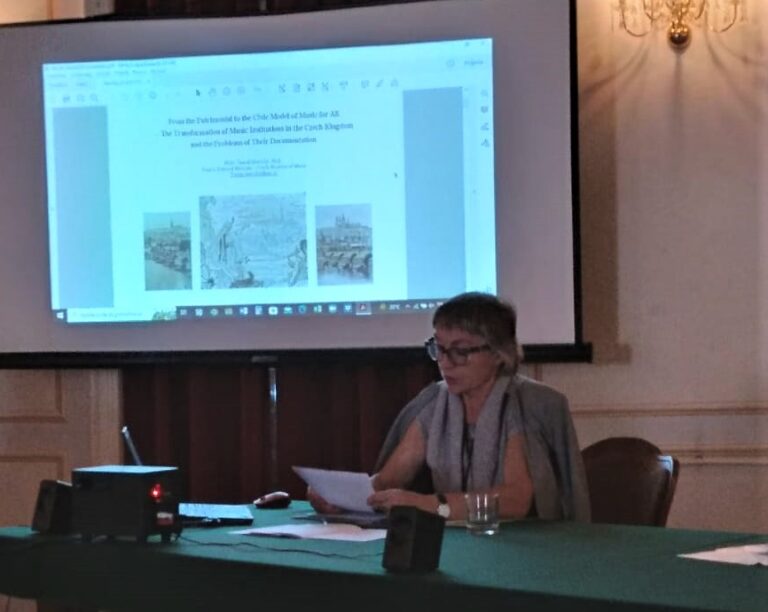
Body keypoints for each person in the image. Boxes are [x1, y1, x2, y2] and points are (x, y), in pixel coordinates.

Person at [308, 292, 590, 522]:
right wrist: (340, 498)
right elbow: (388, 481)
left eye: (460, 351)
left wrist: (430, 504)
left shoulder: (525, 404)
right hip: (457, 541)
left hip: (524, 547)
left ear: (499, 353)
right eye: (439, 348)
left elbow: (515, 500)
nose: (445, 362)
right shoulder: (435, 403)